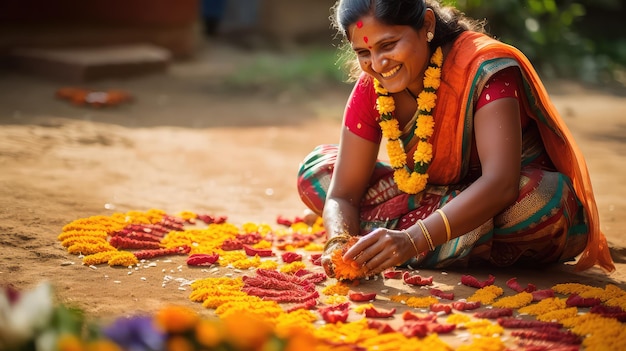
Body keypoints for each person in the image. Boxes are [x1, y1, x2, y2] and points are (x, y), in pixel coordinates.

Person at [297, 0, 615, 279]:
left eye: (389, 44)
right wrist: (339, 241)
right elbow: (341, 195)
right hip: (428, 196)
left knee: (544, 201)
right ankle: (445, 243)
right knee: (316, 172)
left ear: (427, 25)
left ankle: (401, 241)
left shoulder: (484, 70)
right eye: (364, 52)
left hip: (502, 200)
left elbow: (501, 184)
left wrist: (411, 240)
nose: (378, 64)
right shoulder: (373, 86)